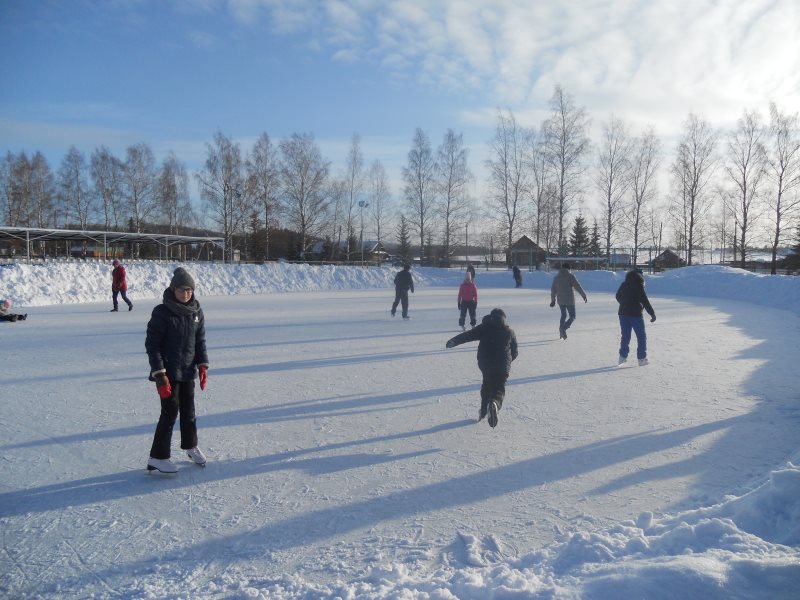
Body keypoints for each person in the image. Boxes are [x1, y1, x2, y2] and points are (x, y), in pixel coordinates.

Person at [145, 267, 209, 473]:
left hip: (187, 371)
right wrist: (159, 374)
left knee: (189, 412)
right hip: (168, 373)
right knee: (170, 412)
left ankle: (190, 445)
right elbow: (152, 344)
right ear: (173, 290)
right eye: (182, 290)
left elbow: (200, 341)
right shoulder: (162, 312)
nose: (186, 294)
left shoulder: (196, 312)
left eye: (189, 290)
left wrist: (202, 365)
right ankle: (158, 457)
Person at [445, 308, 518, 428]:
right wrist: (507, 362)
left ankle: (484, 411)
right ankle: (494, 403)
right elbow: (515, 352)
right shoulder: (509, 332)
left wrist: (453, 341)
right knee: (498, 390)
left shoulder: (484, 328)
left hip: (486, 365)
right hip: (502, 368)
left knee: (486, 386)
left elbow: (467, 336)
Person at [616, 269, 656, 366]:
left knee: (625, 336)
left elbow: (617, 296)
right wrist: (652, 314)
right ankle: (642, 359)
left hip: (623, 313)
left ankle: (622, 357)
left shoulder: (624, 284)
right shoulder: (639, 285)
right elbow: (645, 300)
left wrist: (624, 303)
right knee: (641, 337)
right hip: (635, 315)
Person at [549, 262, 587, 340]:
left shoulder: (556, 277)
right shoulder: (570, 276)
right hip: (570, 300)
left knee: (563, 315)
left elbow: (553, 290)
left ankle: (561, 332)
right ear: (569, 269)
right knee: (572, 316)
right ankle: (563, 328)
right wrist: (583, 295)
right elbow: (577, 286)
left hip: (560, 301)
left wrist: (553, 300)